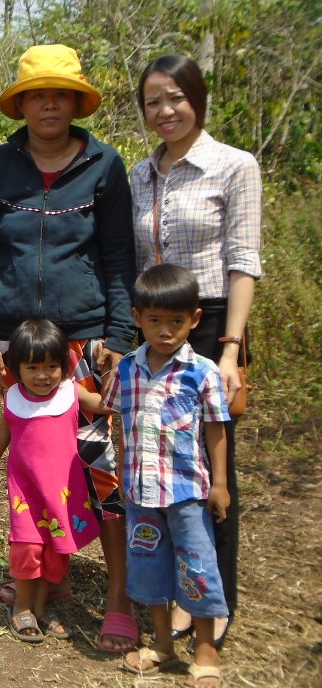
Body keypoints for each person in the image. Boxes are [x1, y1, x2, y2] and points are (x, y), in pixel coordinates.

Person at [0, 43, 138, 652]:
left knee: (98, 471)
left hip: (86, 344)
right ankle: (40, 574)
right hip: (22, 348)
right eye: (38, 93)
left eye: (61, 93)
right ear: (22, 103)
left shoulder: (104, 166)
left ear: (76, 101)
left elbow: (119, 255)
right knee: (34, 466)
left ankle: (119, 596)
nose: (50, 103)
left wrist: (119, 335)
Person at [130, 53, 263, 651]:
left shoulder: (234, 166)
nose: (165, 110)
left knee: (211, 470)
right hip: (153, 324)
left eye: (176, 97)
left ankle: (215, 604)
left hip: (207, 328)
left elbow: (243, 261)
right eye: (153, 101)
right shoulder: (140, 175)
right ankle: (177, 596)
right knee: (160, 470)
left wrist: (231, 349)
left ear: (198, 99)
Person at [102, 264, 231, 688]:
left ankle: (206, 651)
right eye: (154, 321)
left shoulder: (203, 372)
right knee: (148, 565)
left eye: (176, 321)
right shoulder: (127, 370)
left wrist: (220, 484)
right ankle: (161, 644)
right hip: (141, 492)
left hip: (188, 492)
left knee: (197, 565)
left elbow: (215, 428)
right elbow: (116, 417)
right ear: (137, 318)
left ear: (194, 319)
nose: (165, 331)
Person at [0, 319, 102, 643]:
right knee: (27, 548)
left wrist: (133, 391)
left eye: (52, 366)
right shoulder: (14, 399)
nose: (43, 375)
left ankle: (41, 607)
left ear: (64, 366)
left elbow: (105, 405)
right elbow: (3, 432)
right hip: (26, 493)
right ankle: (22, 607)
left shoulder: (72, 393)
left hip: (63, 493)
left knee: (54, 552)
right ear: (17, 368)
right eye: (33, 367)